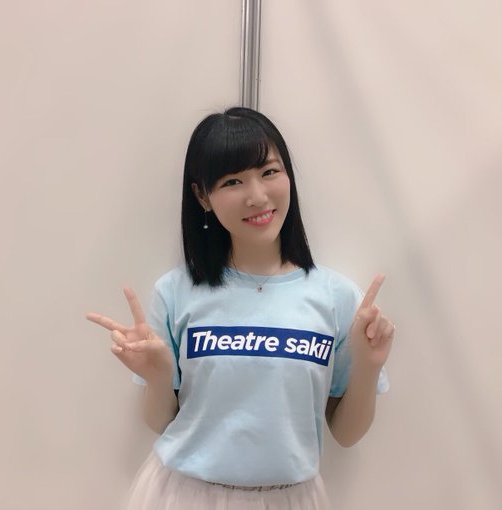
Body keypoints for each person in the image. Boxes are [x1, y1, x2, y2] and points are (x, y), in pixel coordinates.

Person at [86, 107, 395, 509]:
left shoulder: (337, 297)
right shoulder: (177, 291)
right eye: (232, 181)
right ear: (203, 196)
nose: (257, 196)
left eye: (269, 172)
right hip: (183, 495)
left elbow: (346, 434)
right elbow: (161, 422)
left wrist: (368, 365)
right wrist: (158, 376)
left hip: (291, 499)